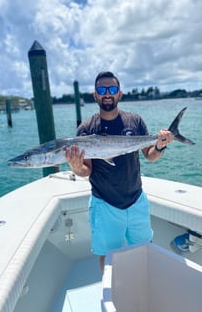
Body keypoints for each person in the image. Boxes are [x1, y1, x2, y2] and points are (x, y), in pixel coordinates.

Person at [65, 71, 174, 271]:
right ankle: (110, 295)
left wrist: (160, 145)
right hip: (104, 204)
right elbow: (86, 169)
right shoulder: (86, 128)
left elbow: (150, 156)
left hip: (136, 201)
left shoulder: (135, 121)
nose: (108, 93)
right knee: (107, 258)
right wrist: (75, 166)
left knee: (144, 250)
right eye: (102, 89)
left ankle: (142, 288)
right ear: (95, 95)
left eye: (112, 89)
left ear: (120, 94)